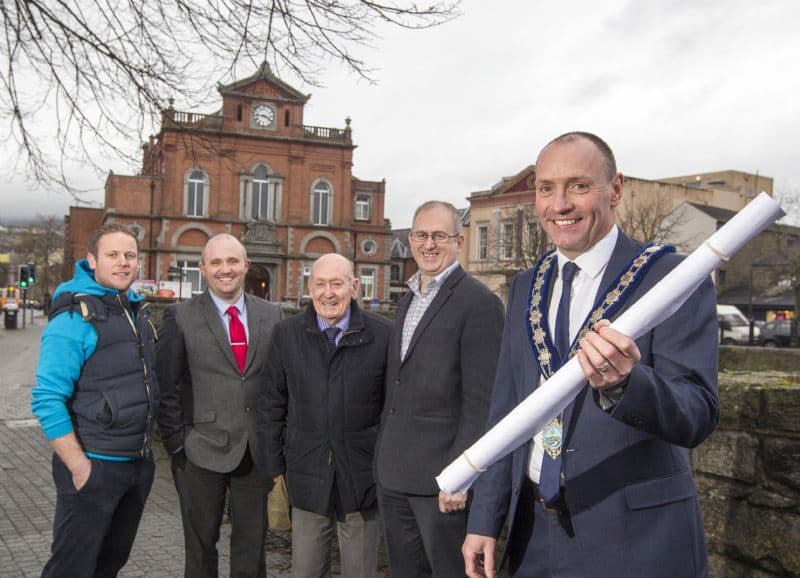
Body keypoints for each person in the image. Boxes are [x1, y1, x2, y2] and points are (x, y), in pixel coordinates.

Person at [463, 132, 719, 578]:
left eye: (578, 186)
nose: (559, 204)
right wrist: (485, 518)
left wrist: (627, 384)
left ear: (615, 190)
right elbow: (507, 414)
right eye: (546, 188)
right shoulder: (525, 286)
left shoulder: (671, 278)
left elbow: (697, 414)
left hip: (637, 539)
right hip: (534, 537)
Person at [374, 200, 506, 576]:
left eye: (439, 236)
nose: (428, 244)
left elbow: (481, 403)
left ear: (459, 241)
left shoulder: (479, 304)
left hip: (442, 486)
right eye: (420, 235)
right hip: (395, 476)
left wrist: (459, 477)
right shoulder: (409, 299)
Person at [32, 223, 159, 577]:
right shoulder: (75, 316)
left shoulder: (136, 312)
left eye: (130, 255)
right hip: (94, 467)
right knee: (71, 568)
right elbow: (46, 398)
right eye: (113, 255)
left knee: (109, 564)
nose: (123, 263)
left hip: (136, 464)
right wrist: (78, 466)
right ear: (92, 261)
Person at [256, 253, 392, 578]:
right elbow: (270, 403)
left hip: (362, 478)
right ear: (309, 287)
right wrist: (273, 465)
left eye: (337, 284)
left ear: (354, 287)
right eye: (320, 284)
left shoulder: (384, 335)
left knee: (360, 572)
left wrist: (383, 465)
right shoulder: (286, 334)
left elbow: (393, 409)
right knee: (304, 571)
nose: (328, 293)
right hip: (305, 473)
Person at [155, 233, 282, 578]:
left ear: (245, 266)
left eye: (232, 261)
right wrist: (178, 446)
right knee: (199, 548)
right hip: (200, 450)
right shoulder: (180, 317)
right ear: (203, 268)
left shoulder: (272, 315)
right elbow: (165, 387)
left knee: (251, 548)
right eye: (216, 262)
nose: (225, 269)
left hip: (255, 453)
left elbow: (280, 384)